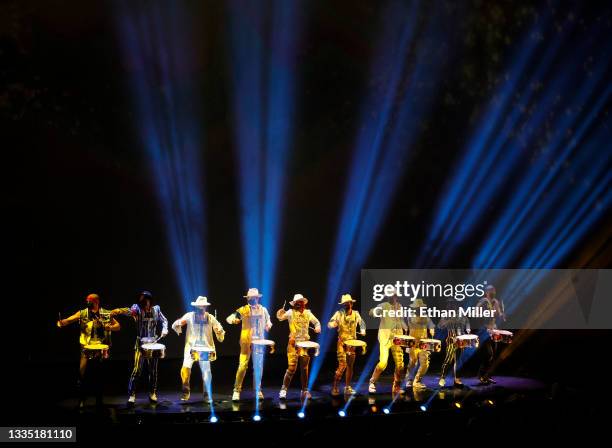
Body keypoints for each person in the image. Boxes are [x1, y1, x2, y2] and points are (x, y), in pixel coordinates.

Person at [56, 293, 120, 408]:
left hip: (100, 347)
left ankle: (99, 400)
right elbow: (69, 320)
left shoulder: (106, 313)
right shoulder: (83, 313)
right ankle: (81, 399)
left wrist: (109, 327)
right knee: (82, 373)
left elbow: (118, 326)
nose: (89, 303)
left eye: (91, 301)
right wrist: (62, 322)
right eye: (88, 301)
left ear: (97, 302)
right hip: (86, 347)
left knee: (99, 375)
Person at [111, 290, 169, 404]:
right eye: (142, 301)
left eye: (146, 300)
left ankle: (153, 393)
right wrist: (118, 311)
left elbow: (164, 320)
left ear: (150, 301)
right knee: (137, 370)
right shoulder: (137, 309)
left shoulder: (156, 309)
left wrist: (165, 329)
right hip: (141, 344)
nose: (144, 303)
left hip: (153, 343)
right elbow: (129, 311)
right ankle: (132, 394)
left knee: (153, 371)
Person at [172, 296, 225, 403]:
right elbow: (177, 323)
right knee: (185, 370)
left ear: (205, 307)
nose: (201, 309)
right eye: (199, 307)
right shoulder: (190, 316)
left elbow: (219, 330)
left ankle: (207, 394)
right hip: (191, 347)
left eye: (203, 307)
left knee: (206, 372)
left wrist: (219, 332)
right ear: (196, 307)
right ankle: (186, 391)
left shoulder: (210, 318)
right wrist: (178, 323)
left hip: (205, 348)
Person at [226, 288, 272, 401]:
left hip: (259, 341)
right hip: (246, 341)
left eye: (253, 298)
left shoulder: (263, 310)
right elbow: (229, 318)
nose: (251, 300)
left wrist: (268, 326)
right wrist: (233, 320)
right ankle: (236, 390)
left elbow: (269, 321)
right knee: (242, 365)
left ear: (257, 298)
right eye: (249, 298)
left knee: (258, 367)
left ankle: (258, 389)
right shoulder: (243, 310)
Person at [276, 293, 321, 400]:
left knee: (304, 368)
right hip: (293, 343)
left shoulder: (308, 313)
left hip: (304, 344)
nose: (299, 304)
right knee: (291, 368)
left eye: (301, 302)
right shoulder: (291, 312)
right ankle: (283, 389)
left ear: (303, 303)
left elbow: (316, 322)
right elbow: (280, 318)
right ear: (294, 304)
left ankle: (305, 390)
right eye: (297, 302)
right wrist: (280, 312)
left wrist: (318, 327)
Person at [368, 288, 407, 395]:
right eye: (390, 295)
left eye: (394, 295)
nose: (392, 297)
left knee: (400, 364)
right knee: (383, 363)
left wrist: (405, 328)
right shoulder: (383, 305)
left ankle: (396, 386)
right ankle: (372, 382)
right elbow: (371, 312)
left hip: (397, 338)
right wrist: (376, 311)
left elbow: (401, 320)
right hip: (385, 338)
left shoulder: (400, 307)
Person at [328, 294, 366, 396]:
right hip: (342, 343)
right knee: (343, 365)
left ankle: (347, 387)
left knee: (350, 366)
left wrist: (362, 330)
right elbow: (330, 323)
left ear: (351, 303)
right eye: (344, 303)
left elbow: (362, 322)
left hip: (352, 343)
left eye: (348, 303)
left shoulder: (356, 314)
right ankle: (335, 386)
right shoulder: (339, 313)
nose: (346, 304)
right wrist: (333, 324)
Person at [438, 299, 471, 387]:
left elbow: (466, 321)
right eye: (451, 304)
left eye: (454, 304)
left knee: (458, 360)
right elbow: (440, 326)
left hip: (460, 340)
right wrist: (449, 321)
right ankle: (442, 378)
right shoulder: (446, 315)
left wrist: (468, 329)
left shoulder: (461, 314)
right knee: (448, 359)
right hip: (451, 340)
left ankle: (457, 378)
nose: (453, 306)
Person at [476, 285, 506, 385]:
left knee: (493, 355)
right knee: (489, 354)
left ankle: (487, 376)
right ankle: (481, 375)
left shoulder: (496, 302)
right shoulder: (484, 301)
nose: (493, 291)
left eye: (494, 290)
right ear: (486, 292)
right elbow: (476, 310)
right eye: (491, 290)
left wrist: (502, 315)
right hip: (485, 330)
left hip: (494, 330)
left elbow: (499, 313)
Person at [404, 298, 435, 390]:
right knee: (413, 361)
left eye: (420, 308)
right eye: (418, 308)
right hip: (413, 342)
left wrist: (432, 328)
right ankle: (409, 379)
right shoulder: (411, 316)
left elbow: (431, 324)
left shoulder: (426, 316)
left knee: (425, 363)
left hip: (423, 342)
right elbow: (416, 321)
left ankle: (417, 380)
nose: (419, 309)